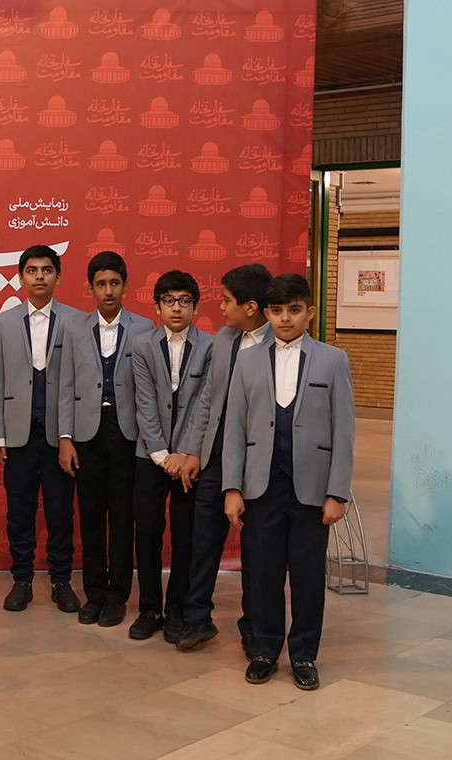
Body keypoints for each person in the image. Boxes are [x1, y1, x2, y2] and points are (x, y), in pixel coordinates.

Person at [222, 273, 354, 690]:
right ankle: (264, 650)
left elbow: (344, 431)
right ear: (266, 313)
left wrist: (337, 492)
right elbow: (234, 428)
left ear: (309, 312)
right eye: (277, 311)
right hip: (261, 486)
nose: (285, 319)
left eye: (294, 310)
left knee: (308, 576)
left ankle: (304, 655)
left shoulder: (333, 360)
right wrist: (232, 488)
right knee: (262, 572)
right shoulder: (246, 360)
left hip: (312, 489)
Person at [174, 264, 272, 656]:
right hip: (214, 457)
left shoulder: (280, 344)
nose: (221, 306)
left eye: (227, 300)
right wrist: (193, 451)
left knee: (257, 549)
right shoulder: (223, 340)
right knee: (203, 541)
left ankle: (254, 627)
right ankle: (197, 617)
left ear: (251, 307)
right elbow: (206, 401)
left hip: (258, 463)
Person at [58, 251, 152, 627]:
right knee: (91, 515)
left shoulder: (144, 328)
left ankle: (117, 596)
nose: (108, 291)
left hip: (128, 433)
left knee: (123, 516)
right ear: (91, 288)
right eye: (101, 284)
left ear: (126, 286)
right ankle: (94, 593)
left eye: (115, 283)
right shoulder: (74, 328)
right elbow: (66, 385)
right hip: (86, 433)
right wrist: (65, 437)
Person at [0, 245, 81, 613]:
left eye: (46, 269)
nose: (39, 276)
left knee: (61, 512)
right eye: (31, 270)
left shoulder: (76, 320)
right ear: (21, 277)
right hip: (18, 434)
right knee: (19, 512)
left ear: (58, 276)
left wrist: (71, 434)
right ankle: (22, 580)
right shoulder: (4, 322)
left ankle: (61, 580)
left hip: (61, 435)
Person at [130, 270, 211, 642]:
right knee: (147, 531)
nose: (176, 308)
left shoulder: (211, 347)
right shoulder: (142, 346)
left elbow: (204, 406)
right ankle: (149, 609)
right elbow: (144, 404)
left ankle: (177, 610)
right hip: (151, 455)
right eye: (168, 301)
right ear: (157, 307)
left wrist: (186, 452)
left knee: (186, 534)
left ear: (195, 306)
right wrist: (163, 456)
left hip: (190, 459)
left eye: (184, 301)